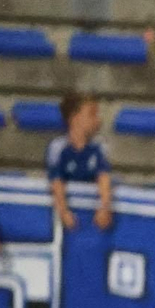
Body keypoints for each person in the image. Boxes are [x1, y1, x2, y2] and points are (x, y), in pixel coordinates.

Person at [47, 92, 113, 232]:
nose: (98, 120)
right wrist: (63, 211)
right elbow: (56, 181)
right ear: (74, 118)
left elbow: (103, 177)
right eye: (92, 114)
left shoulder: (99, 147)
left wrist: (104, 207)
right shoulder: (58, 148)